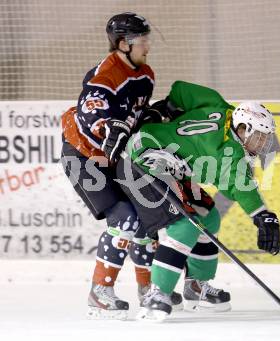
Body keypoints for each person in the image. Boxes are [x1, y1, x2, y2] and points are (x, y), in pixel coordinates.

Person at [118, 80, 280, 321]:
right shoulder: (229, 153)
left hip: (167, 159)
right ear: (244, 128)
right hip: (143, 159)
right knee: (185, 224)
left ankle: (195, 286)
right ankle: (157, 294)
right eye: (259, 136)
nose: (263, 143)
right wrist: (262, 217)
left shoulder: (222, 107)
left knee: (208, 216)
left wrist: (168, 108)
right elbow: (242, 187)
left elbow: (182, 90)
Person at [60, 12, 181, 320]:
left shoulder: (146, 74)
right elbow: (90, 116)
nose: (147, 47)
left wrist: (154, 114)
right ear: (124, 44)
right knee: (124, 219)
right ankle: (99, 292)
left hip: (113, 156)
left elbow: (133, 117)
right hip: (84, 156)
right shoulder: (103, 76)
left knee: (144, 220)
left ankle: (147, 289)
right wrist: (107, 127)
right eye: (142, 41)